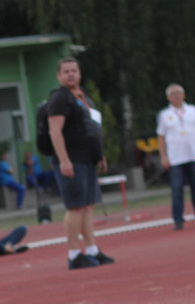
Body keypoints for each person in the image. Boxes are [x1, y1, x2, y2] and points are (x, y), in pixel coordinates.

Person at [46, 57, 115, 270]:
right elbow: (55, 131)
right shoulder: (59, 98)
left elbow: (93, 128)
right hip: (72, 160)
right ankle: (74, 254)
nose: (70, 74)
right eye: (66, 71)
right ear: (59, 75)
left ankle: (92, 249)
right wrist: (64, 160)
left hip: (88, 159)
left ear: (80, 73)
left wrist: (99, 155)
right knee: (75, 207)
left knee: (88, 206)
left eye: (74, 70)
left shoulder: (84, 96)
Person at [156, 83, 195, 231]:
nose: (176, 95)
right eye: (173, 93)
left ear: (184, 95)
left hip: (193, 155)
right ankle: (178, 220)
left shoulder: (193, 110)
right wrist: (163, 156)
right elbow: (161, 137)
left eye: (179, 92)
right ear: (168, 97)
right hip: (175, 158)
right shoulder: (164, 115)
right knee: (177, 190)